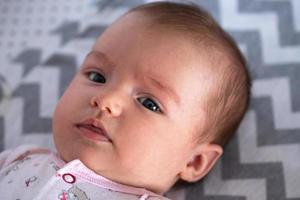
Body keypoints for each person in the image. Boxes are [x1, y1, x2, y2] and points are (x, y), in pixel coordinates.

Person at [0, 1, 251, 199]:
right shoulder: (20, 158)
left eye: (149, 103)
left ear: (194, 161)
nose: (106, 99)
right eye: (97, 76)